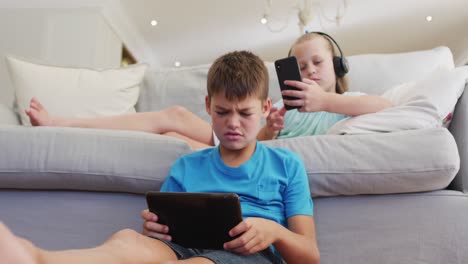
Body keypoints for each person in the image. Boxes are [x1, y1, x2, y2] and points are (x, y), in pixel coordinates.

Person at [0, 50, 319, 264]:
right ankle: (36, 257)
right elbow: (158, 238)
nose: (233, 123)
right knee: (126, 241)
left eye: (245, 113)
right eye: (222, 112)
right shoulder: (187, 165)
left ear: (264, 109)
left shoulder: (286, 166)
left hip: (249, 256)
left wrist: (274, 231)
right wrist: (153, 230)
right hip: (181, 248)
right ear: (208, 107)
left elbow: (310, 254)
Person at [26, 32, 392, 149]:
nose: (310, 71)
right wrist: (271, 127)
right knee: (173, 123)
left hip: (250, 154)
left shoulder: (347, 102)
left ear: (338, 67)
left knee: (174, 132)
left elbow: (386, 107)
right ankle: (62, 124)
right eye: (302, 65)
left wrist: (326, 100)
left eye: (318, 62)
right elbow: (260, 138)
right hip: (247, 144)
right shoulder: (282, 106)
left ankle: (62, 124)